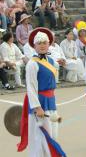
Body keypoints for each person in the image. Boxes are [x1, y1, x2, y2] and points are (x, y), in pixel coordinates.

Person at [17, 27, 66, 157]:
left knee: (52, 135)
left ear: (49, 44)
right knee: (40, 137)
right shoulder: (32, 64)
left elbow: (59, 68)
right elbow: (31, 87)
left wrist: (64, 62)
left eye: (45, 42)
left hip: (51, 102)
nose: (43, 45)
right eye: (39, 43)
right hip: (39, 103)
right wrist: (37, 107)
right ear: (34, 45)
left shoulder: (50, 61)